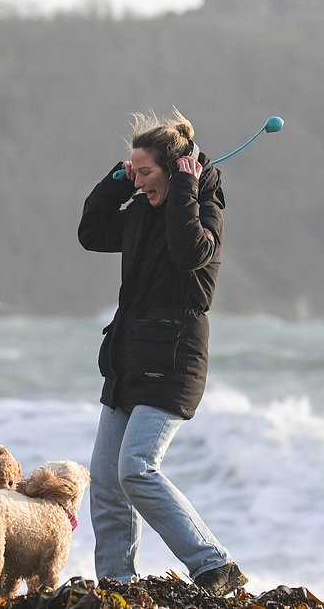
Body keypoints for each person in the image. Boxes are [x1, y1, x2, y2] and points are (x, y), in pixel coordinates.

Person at [77, 109, 248, 596]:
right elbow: (91, 234)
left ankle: (215, 565)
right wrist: (118, 180)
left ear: (174, 171)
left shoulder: (205, 208)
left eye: (145, 171)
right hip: (129, 360)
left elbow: (188, 252)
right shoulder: (140, 210)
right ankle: (116, 585)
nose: (139, 181)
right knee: (108, 483)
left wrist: (188, 190)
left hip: (174, 359)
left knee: (137, 468)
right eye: (133, 170)